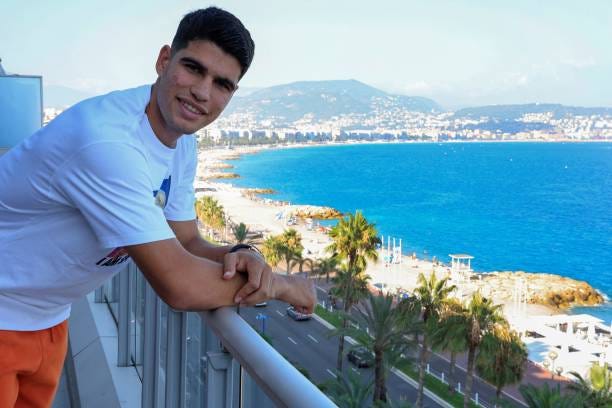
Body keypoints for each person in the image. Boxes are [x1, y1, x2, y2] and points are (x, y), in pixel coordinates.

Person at [0, 7, 316, 407]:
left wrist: (245, 255)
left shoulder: (181, 144)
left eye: (222, 83)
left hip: (47, 318)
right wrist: (285, 286)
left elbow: (185, 241)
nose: (203, 92)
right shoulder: (107, 143)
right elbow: (178, 284)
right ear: (164, 60)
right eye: (193, 68)